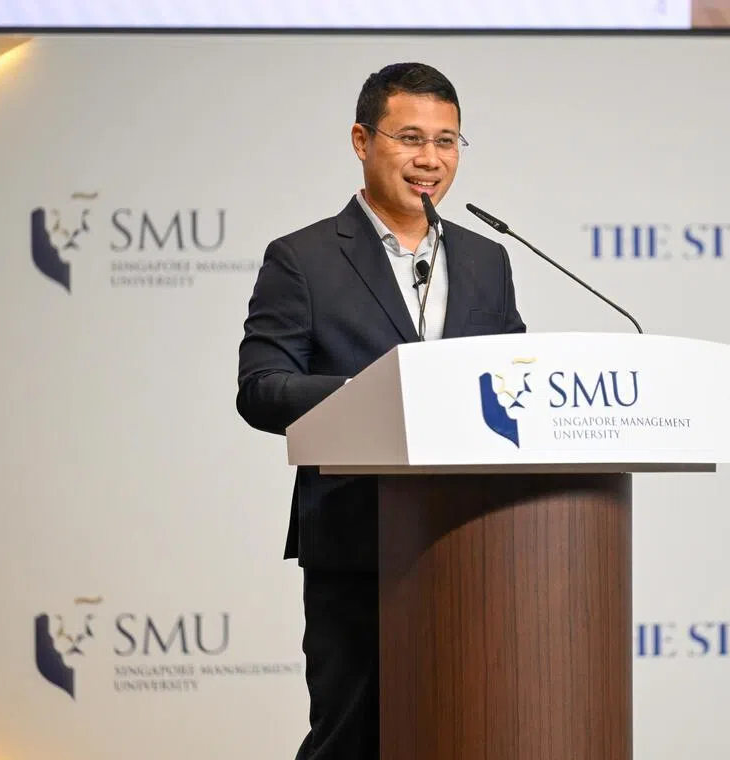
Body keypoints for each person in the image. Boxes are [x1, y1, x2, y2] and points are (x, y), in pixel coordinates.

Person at [236, 62, 526, 760]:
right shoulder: (303, 258)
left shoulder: (487, 259)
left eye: (448, 140)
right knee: (352, 738)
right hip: (356, 539)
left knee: (466, 731)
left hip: (474, 540)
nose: (431, 159)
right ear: (363, 141)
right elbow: (262, 388)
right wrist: (380, 393)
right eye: (410, 137)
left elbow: (514, 377)